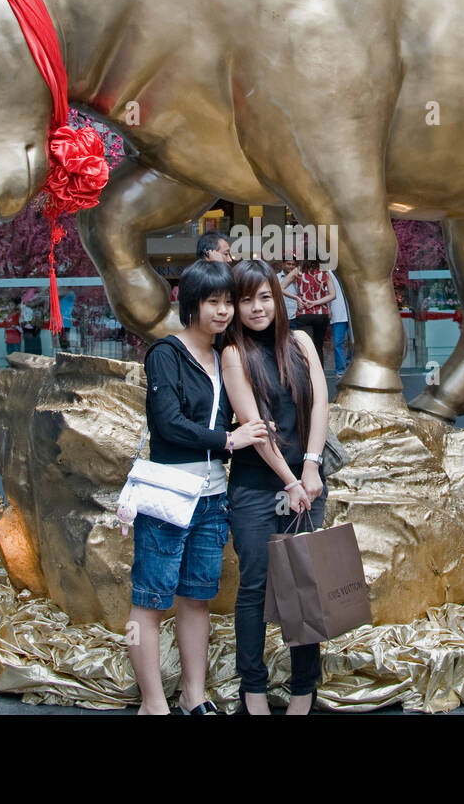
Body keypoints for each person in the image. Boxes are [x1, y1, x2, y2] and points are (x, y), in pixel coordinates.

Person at [128, 259, 269, 715]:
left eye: (229, 302)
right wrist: (229, 439)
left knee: (197, 599)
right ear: (191, 303)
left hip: (212, 497)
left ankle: (194, 696)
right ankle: (153, 703)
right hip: (169, 496)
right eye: (214, 302)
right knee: (150, 602)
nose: (224, 311)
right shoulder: (166, 353)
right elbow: (167, 424)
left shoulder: (225, 354)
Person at [222, 259, 330, 715]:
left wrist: (310, 467)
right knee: (255, 588)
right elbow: (254, 425)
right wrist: (289, 482)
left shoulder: (302, 341)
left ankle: (305, 692)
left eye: (264, 296)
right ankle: (254, 693)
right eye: (245, 299)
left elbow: (322, 400)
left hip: (307, 479)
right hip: (255, 486)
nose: (257, 307)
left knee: (305, 588)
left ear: (277, 296)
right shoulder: (233, 353)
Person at [288, 256, 334, 351]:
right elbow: (333, 294)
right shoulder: (324, 272)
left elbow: (280, 287)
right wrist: (315, 302)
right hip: (321, 314)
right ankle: (319, 366)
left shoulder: (298, 271)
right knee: (318, 347)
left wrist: (297, 298)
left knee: (305, 347)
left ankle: (306, 365)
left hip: (303, 313)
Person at [328, 272, 350, 376]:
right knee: (338, 343)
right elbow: (326, 291)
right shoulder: (328, 272)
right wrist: (328, 308)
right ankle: (340, 370)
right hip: (338, 313)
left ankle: (350, 365)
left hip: (353, 313)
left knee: (356, 343)